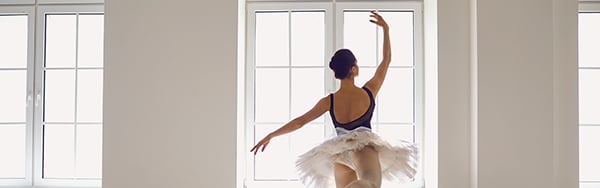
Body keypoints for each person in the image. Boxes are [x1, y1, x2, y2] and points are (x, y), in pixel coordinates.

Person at [251, 11, 418, 188]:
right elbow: (386, 61)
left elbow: (300, 122)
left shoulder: (329, 101)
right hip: (364, 150)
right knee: (370, 185)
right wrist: (386, 29)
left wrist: (271, 135)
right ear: (353, 69)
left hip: (340, 154)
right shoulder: (369, 91)